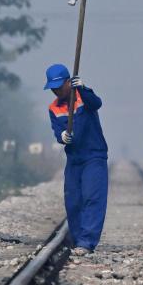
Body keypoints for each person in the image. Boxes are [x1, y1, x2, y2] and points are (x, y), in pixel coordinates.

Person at [44, 64, 108, 255]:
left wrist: (83, 88)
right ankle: (77, 238)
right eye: (53, 88)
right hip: (74, 158)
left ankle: (86, 242)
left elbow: (96, 103)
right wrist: (61, 136)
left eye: (59, 86)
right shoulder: (53, 108)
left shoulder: (82, 97)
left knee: (92, 197)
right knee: (72, 200)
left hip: (93, 155)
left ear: (67, 82)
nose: (56, 91)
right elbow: (57, 130)